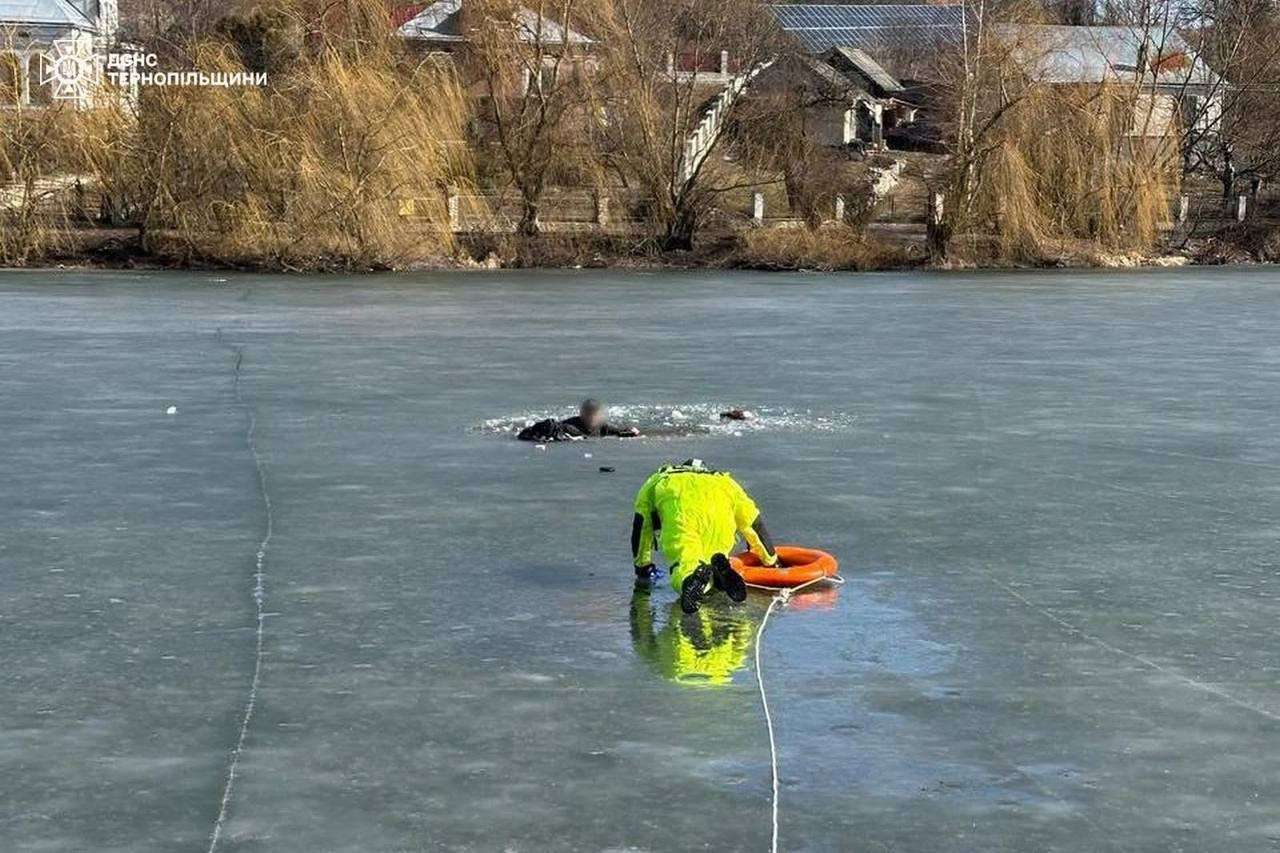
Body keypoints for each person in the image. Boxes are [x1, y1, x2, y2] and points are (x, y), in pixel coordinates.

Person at [631, 459, 783, 614]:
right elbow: (753, 524)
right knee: (715, 556)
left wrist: (642, 566)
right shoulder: (726, 482)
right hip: (719, 523)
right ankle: (719, 576)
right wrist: (771, 560)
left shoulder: (659, 480)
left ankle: (691, 579)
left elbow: (642, 526)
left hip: (682, 517)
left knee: (685, 564)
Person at [516, 399, 641, 442]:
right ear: (582, 413)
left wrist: (632, 431)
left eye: (593, 415)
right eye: (587, 414)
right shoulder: (571, 426)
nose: (590, 418)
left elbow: (619, 431)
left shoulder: (602, 426)